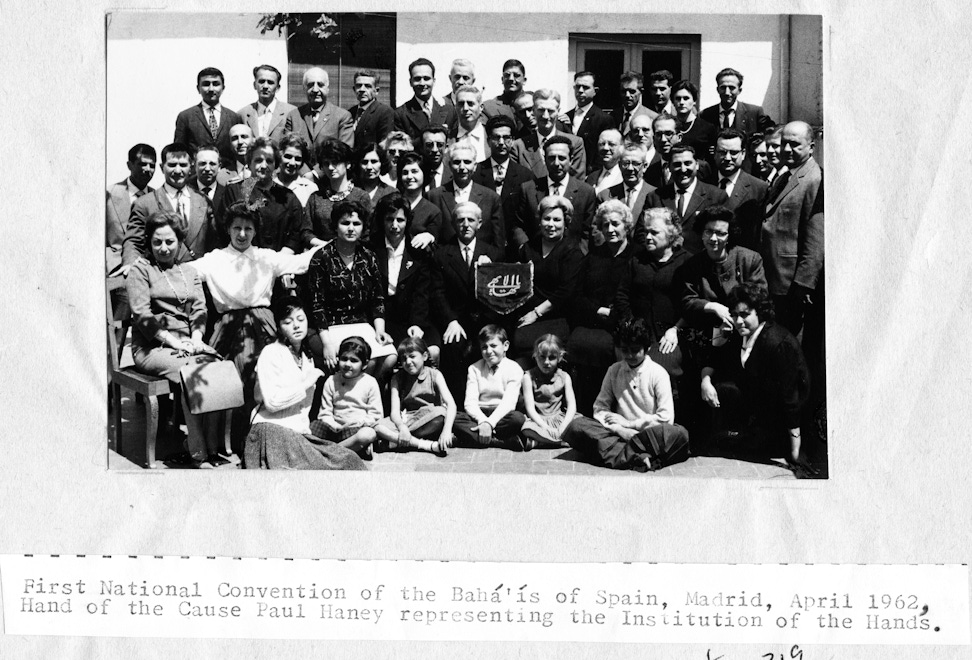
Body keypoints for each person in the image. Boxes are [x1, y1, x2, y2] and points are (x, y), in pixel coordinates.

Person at [190, 203, 324, 455]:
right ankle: (234, 439)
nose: (242, 234)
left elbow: (299, 263)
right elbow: (185, 272)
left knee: (267, 368)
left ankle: (266, 433)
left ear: (255, 231)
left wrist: (331, 243)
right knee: (232, 371)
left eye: (248, 229)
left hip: (264, 322)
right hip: (228, 326)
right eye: (237, 228)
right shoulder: (215, 259)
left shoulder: (265, 257)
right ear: (228, 229)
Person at [126, 211, 221, 469]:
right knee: (191, 372)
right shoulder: (140, 271)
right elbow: (143, 316)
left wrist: (198, 338)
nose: (164, 248)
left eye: (170, 241)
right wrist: (176, 343)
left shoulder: (189, 271)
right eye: (157, 242)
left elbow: (200, 309)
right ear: (149, 242)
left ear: (179, 240)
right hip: (152, 346)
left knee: (216, 367)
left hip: (188, 343)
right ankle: (198, 453)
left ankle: (213, 447)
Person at [699, 284, 814, 476]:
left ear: (759, 312)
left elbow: (790, 397)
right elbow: (716, 357)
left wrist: (795, 448)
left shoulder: (776, 342)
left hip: (785, 418)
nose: (739, 321)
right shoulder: (742, 334)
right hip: (760, 408)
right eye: (734, 315)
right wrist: (705, 381)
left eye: (745, 314)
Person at [244, 296, 367, 470]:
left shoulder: (306, 358)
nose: (296, 325)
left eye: (300, 319)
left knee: (349, 460)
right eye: (288, 322)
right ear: (279, 327)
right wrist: (306, 383)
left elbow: (302, 410)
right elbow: (272, 403)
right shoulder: (271, 352)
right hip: (270, 431)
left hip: (297, 434)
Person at [562, 318, 690, 471]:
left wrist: (630, 425)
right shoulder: (614, 370)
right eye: (625, 350)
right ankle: (638, 456)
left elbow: (666, 417)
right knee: (576, 426)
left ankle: (626, 455)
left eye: (635, 350)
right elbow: (600, 407)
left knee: (679, 434)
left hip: (648, 434)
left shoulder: (658, 373)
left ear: (647, 348)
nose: (629, 355)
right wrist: (620, 429)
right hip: (619, 434)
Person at [306, 199, 396, 377]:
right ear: (335, 226)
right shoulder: (321, 258)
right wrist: (327, 344)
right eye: (345, 223)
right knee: (365, 361)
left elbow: (377, 299)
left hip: (361, 324)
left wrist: (380, 330)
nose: (351, 228)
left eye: (356, 223)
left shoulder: (369, 257)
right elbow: (317, 305)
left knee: (390, 357)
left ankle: (365, 396)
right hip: (332, 327)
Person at [612, 206, 691, 405]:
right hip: (636, 332)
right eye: (646, 232)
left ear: (671, 234)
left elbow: (690, 303)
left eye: (654, 232)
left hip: (669, 336)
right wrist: (630, 326)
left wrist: (676, 329)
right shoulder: (637, 261)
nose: (647, 237)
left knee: (660, 366)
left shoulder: (686, 263)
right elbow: (622, 295)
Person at [567, 200, 638, 413]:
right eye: (605, 225)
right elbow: (578, 295)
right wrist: (597, 310)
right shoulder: (594, 256)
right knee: (580, 343)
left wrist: (616, 314)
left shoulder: (636, 256)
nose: (610, 230)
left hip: (623, 321)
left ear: (627, 226)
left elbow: (636, 296)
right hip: (593, 319)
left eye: (615, 224)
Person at [430, 202, 506, 399]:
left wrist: (489, 272)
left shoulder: (494, 253)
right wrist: (451, 321)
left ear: (479, 223)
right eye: (460, 220)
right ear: (454, 224)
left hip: (485, 319)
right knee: (454, 347)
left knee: (491, 346)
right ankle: (458, 405)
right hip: (456, 320)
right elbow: (437, 293)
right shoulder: (441, 254)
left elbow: (502, 296)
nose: (466, 224)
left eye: (471, 220)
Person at [760, 120, 824, 345]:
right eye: (783, 143)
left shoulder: (815, 179)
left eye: (794, 145)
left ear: (811, 147)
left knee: (789, 344)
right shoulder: (788, 175)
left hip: (791, 283)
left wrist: (805, 283)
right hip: (775, 277)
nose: (786, 150)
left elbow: (816, 237)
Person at [678, 204, 767, 360]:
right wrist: (711, 306)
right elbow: (687, 301)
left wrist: (734, 315)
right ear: (701, 234)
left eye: (720, 233)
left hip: (744, 332)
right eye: (709, 232)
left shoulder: (749, 259)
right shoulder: (692, 265)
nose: (713, 239)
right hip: (707, 336)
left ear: (729, 236)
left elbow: (759, 297)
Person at [511, 195, 583, 359]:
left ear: (566, 223)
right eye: (547, 219)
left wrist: (535, 314)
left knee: (524, 341)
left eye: (557, 220)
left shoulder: (572, 251)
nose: (551, 224)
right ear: (539, 221)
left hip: (557, 317)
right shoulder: (529, 248)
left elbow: (565, 292)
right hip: (526, 313)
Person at [123, 143, 214, 270]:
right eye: (172, 165)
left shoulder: (204, 201)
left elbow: (214, 241)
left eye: (183, 165)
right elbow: (133, 242)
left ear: (191, 167)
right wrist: (131, 262)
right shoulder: (144, 203)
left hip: (197, 279)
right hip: (159, 279)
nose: (177, 170)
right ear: (162, 167)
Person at [372, 194, 439, 351]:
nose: (394, 225)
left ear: (407, 221)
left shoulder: (417, 251)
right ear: (382, 221)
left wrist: (417, 323)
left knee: (432, 350)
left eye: (400, 220)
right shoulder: (371, 249)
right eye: (389, 219)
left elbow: (421, 293)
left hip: (410, 319)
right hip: (381, 320)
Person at [216, 137, 303, 254]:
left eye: (269, 161)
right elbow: (222, 230)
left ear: (276, 164)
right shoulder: (234, 191)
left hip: (278, 262)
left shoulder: (288, 197)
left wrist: (281, 259)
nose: (263, 166)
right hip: (240, 260)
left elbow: (295, 235)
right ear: (249, 163)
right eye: (258, 160)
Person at [512, 135, 597, 250]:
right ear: (544, 159)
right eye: (551, 158)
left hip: (572, 261)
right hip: (536, 257)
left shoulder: (586, 192)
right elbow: (518, 226)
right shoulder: (528, 189)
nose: (556, 163)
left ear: (571, 160)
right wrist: (526, 250)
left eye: (562, 158)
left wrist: (578, 258)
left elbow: (586, 233)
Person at [375, 337, 457, 456]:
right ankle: (426, 445)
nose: (408, 362)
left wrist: (447, 431)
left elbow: (451, 404)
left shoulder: (435, 374)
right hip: (407, 419)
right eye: (404, 359)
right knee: (378, 426)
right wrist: (402, 427)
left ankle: (394, 442)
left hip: (428, 417)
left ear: (424, 356)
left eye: (412, 356)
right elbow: (394, 412)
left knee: (441, 414)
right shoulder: (397, 378)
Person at [107, 143, 156, 339]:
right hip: (111, 269)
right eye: (142, 164)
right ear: (129, 165)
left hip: (141, 270)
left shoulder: (157, 198)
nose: (147, 170)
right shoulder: (109, 194)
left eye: (152, 165)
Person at [452, 325, 527, 450]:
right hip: (479, 414)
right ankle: (499, 441)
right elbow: (470, 403)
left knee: (518, 419)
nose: (489, 351)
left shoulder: (514, 368)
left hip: (502, 414)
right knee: (454, 418)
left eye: (493, 346)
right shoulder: (474, 369)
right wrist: (483, 421)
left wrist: (489, 423)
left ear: (506, 346)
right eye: (484, 347)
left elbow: (509, 403)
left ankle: (474, 438)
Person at [311, 336, 382, 460]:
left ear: (364, 364)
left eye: (354, 361)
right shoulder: (331, 380)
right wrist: (334, 425)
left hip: (355, 428)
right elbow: (325, 413)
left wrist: (359, 423)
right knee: (312, 428)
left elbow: (375, 415)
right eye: (344, 359)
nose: (347, 364)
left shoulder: (370, 382)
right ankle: (347, 450)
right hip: (333, 428)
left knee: (367, 434)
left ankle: (329, 452)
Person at [429, 140, 504, 247]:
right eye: (457, 162)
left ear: (475, 166)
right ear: (449, 165)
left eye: (467, 162)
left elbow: (498, 243)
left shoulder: (491, 198)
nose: (462, 167)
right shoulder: (434, 196)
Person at [655, 145, 729, 254]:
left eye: (688, 163)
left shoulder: (716, 197)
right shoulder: (655, 197)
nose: (683, 169)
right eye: (677, 165)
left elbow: (723, 235)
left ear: (697, 165)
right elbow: (642, 235)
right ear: (669, 167)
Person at [301, 138, 373, 247]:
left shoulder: (361, 197)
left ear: (348, 164)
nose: (330, 167)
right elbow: (306, 232)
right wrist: (326, 246)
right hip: (321, 253)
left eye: (335, 162)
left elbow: (367, 234)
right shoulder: (315, 198)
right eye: (326, 163)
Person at [472, 115, 534, 233]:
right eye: (496, 137)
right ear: (488, 140)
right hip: (484, 239)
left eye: (506, 137)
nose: (501, 142)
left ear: (512, 140)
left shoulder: (525, 176)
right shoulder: (476, 172)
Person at [510, 89, 586, 179]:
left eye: (550, 111)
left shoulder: (575, 143)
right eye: (541, 110)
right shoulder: (518, 147)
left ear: (558, 111)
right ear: (534, 111)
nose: (546, 116)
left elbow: (577, 183)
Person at [173, 67, 244, 163]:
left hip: (228, 174)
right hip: (197, 174)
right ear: (198, 88)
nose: (211, 89)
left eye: (216, 84)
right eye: (206, 84)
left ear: (223, 88)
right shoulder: (185, 117)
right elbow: (179, 152)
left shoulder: (234, 118)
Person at [520, 334, 579, 449]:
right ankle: (561, 442)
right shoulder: (528, 377)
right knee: (526, 429)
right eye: (542, 357)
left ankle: (541, 442)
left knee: (579, 424)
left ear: (560, 357)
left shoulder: (564, 377)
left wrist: (563, 426)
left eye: (551, 358)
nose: (546, 362)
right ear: (535, 356)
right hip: (539, 420)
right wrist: (546, 427)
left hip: (559, 418)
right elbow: (530, 408)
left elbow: (572, 405)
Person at [597, 143, 662, 245]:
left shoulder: (656, 195)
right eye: (626, 163)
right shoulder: (605, 195)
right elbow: (598, 231)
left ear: (645, 166)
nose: (630, 168)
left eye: (636, 163)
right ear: (619, 165)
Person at [715, 128, 769, 249]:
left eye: (734, 152)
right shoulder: (704, 183)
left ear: (743, 154)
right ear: (715, 153)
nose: (728, 158)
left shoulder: (759, 188)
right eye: (723, 152)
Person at [288, 67, 355, 163]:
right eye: (310, 85)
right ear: (304, 88)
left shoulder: (342, 116)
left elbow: (344, 152)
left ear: (327, 88)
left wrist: (316, 173)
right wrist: (305, 173)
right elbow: (288, 150)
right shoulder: (293, 116)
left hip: (329, 174)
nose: (315, 90)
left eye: (320, 85)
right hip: (299, 173)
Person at [394, 58, 458, 141]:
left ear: (434, 81)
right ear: (410, 82)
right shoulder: (401, 114)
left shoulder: (450, 111)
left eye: (426, 78)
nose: (422, 83)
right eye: (417, 79)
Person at [699, 67, 773, 138]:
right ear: (717, 89)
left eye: (732, 88)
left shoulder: (755, 113)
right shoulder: (705, 115)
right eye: (723, 87)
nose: (727, 92)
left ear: (739, 90)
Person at [566, 71, 614, 170]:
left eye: (585, 87)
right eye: (577, 86)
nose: (580, 90)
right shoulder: (566, 117)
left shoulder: (603, 119)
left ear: (595, 91)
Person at [237, 64, 295, 143]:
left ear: (278, 87)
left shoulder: (291, 112)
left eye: (270, 82)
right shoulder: (243, 114)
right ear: (255, 85)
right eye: (261, 81)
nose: (265, 86)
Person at [395, 152, 441, 250]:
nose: (409, 177)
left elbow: (435, 245)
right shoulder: (392, 203)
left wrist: (429, 237)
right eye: (405, 172)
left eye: (414, 171)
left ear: (424, 174)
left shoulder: (433, 212)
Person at [671, 80, 718, 166]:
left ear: (694, 101)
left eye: (686, 98)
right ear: (673, 101)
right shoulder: (669, 126)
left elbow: (711, 158)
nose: (681, 102)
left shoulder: (707, 128)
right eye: (678, 98)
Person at [348, 69, 395, 147]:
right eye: (359, 85)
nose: (362, 90)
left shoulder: (384, 112)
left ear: (376, 91)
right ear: (354, 89)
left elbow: (384, 144)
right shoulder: (350, 112)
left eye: (367, 86)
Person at [274, 133, 318, 207]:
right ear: (279, 156)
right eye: (288, 157)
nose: (292, 163)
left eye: (297, 159)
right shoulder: (270, 185)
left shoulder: (310, 188)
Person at [450, 85, 489, 163]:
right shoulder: (448, 137)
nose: (465, 108)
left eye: (470, 104)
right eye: (461, 104)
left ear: (481, 107)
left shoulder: (491, 135)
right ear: (455, 107)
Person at [482, 59, 528, 125]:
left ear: (524, 80)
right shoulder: (489, 107)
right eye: (507, 75)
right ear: (502, 79)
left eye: (516, 75)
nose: (511, 79)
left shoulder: (534, 102)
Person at [643, 113, 681, 188]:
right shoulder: (650, 172)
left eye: (668, 133)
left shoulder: (695, 167)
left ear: (679, 137)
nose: (663, 139)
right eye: (658, 134)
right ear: (653, 139)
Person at [617, 71, 658, 136]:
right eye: (623, 91)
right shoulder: (613, 116)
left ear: (641, 92)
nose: (627, 95)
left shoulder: (652, 117)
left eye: (632, 91)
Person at [585, 128, 624, 194]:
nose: (605, 148)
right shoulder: (591, 177)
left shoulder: (624, 177)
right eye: (602, 144)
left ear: (622, 148)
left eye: (611, 144)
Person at [419, 126, 451, 191]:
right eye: (429, 145)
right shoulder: (414, 174)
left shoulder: (453, 175)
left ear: (446, 147)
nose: (434, 150)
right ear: (421, 147)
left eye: (440, 145)